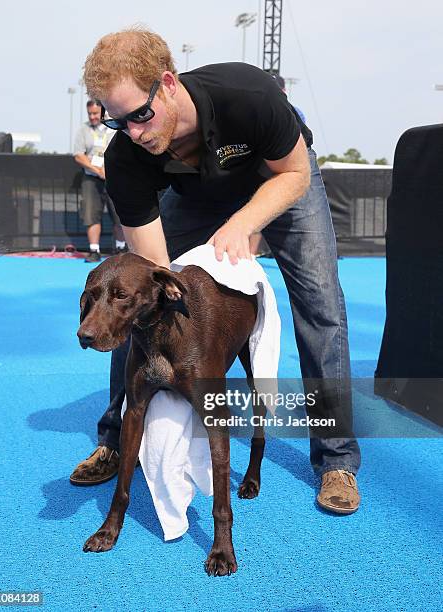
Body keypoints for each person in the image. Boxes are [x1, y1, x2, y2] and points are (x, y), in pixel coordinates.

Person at [70, 27, 361, 514]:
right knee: (134, 302)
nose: (136, 133)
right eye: (119, 123)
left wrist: (245, 224)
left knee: (322, 308)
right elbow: (152, 275)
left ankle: (336, 459)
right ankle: (117, 441)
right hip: (197, 197)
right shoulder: (126, 155)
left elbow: (294, 173)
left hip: (282, 180)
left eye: (141, 114)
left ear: (167, 83)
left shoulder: (247, 96)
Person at [73, 100, 127, 262]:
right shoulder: (84, 130)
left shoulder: (116, 126)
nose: (92, 117)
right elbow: (78, 155)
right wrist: (97, 170)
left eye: (95, 113)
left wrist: (110, 170)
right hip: (91, 179)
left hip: (116, 178)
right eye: (90, 113)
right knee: (91, 215)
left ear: (103, 112)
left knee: (121, 215)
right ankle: (94, 250)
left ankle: (120, 248)